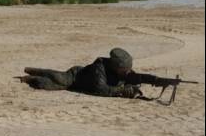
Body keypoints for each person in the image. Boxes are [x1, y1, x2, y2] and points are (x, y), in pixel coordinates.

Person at [19, 47, 165, 98]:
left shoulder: (122, 72)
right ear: (116, 66)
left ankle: (32, 74)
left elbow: (132, 79)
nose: (126, 72)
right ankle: (30, 75)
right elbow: (100, 89)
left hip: (82, 83)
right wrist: (121, 90)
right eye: (124, 69)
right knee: (55, 81)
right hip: (75, 77)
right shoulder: (99, 68)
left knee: (53, 83)